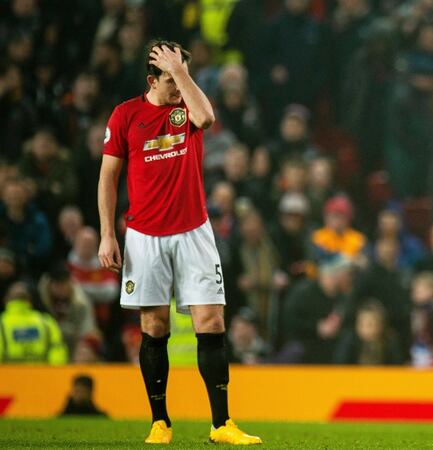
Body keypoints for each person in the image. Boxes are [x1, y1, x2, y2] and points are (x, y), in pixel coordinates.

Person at [97, 40, 261, 445]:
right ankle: (160, 421)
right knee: (154, 327)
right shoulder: (125, 116)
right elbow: (107, 178)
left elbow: (206, 119)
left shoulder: (186, 105)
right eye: (170, 78)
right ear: (152, 80)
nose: (179, 86)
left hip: (193, 231)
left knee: (212, 323)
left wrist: (183, 73)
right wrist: (106, 234)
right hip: (145, 236)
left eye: (182, 76)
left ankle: (221, 424)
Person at [0, 282, 67, 364]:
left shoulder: (2, 323)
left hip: (8, 375)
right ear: (29, 300)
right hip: (42, 375)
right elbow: (57, 350)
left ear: (6, 300)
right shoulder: (46, 321)